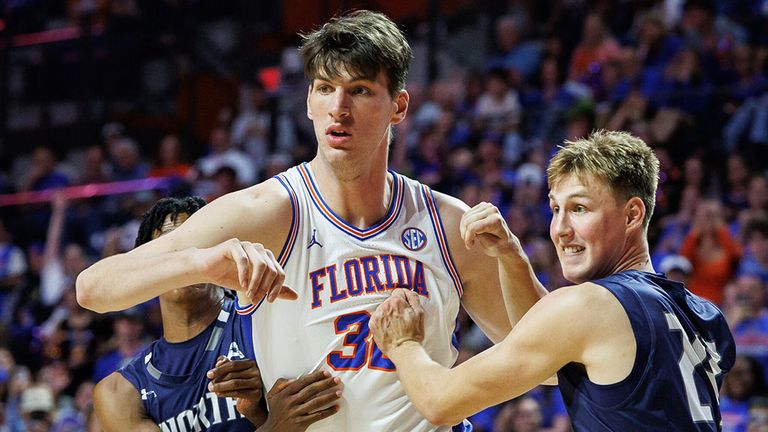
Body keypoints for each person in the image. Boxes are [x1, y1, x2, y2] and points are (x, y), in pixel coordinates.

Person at [76, 10, 523, 431]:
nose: (339, 108)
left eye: (361, 90)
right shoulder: (269, 211)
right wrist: (204, 263)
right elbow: (93, 289)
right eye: (325, 88)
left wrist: (515, 260)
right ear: (309, 100)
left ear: (399, 107)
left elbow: (539, 357)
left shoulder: (446, 223)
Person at [370, 130, 736, 431]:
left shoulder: (592, 306)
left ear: (632, 215)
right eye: (555, 209)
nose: (560, 230)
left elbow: (439, 403)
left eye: (579, 209)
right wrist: (512, 257)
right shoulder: (701, 315)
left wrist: (403, 345)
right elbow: (551, 356)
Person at [92, 197, 342, 431]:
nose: (186, 257)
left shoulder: (264, 317)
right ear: (147, 268)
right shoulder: (119, 392)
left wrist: (257, 411)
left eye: (198, 244)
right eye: (171, 247)